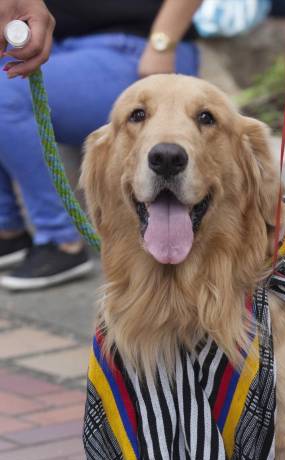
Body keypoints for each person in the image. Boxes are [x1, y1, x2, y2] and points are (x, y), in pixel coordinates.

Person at [0, 0, 202, 291]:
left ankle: (60, 240)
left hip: (135, 47)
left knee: (4, 95)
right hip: (58, 45)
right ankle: (8, 229)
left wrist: (162, 44)